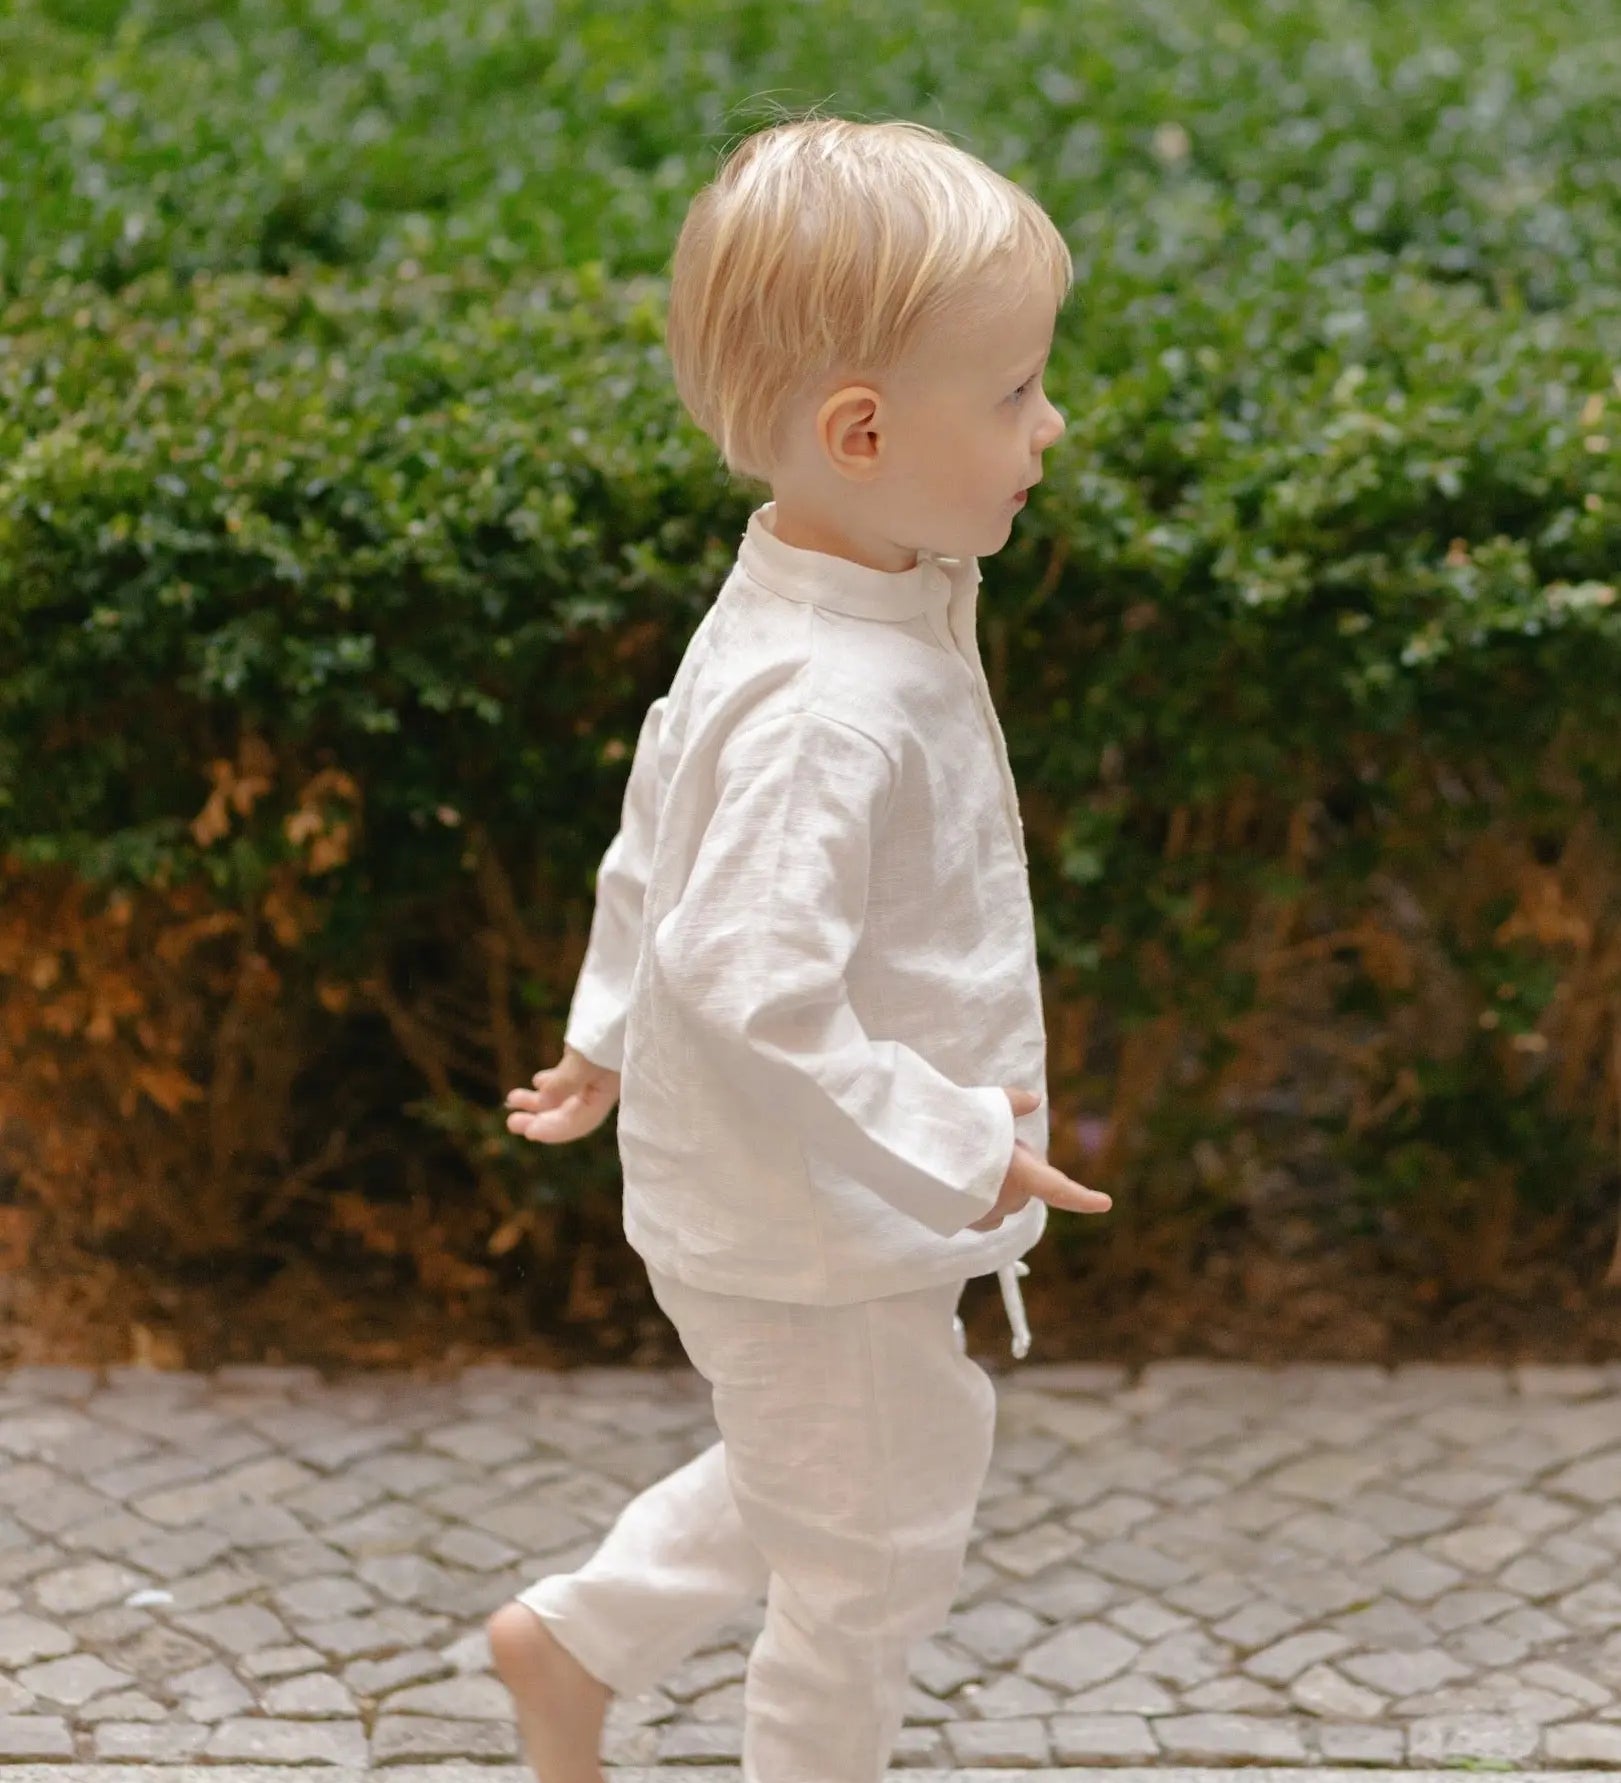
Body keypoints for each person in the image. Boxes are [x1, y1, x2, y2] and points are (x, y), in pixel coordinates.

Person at [487, 114, 1113, 1783]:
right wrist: (960, 1140)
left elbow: (659, 827)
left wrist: (604, 1033)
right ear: (861, 429)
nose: (1049, 424)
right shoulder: (834, 699)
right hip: (800, 1218)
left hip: (780, 1206)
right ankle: (623, 1667)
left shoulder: (818, 592)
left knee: (849, 1460)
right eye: (1012, 394)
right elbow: (748, 972)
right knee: (871, 1558)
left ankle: (575, 1640)